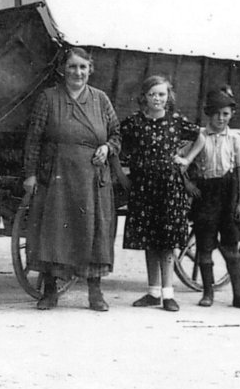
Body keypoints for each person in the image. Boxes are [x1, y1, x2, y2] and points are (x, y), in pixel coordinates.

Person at [21, 47, 121, 311]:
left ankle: (95, 292)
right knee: (55, 231)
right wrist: (30, 175)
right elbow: (34, 139)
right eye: (73, 67)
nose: (78, 72)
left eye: (83, 67)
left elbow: (116, 134)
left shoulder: (100, 100)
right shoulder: (49, 98)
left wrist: (107, 148)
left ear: (90, 70)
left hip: (92, 178)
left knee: (93, 231)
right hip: (57, 176)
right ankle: (50, 291)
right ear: (62, 70)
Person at [120, 75, 204, 312]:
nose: (157, 99)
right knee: (149, 239)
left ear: (168, 97)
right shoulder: (134, 123)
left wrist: (186, 159)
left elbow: (201, 137)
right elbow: (116, 141)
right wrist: (121, 175)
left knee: (166, 242)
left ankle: (168, 294)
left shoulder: (175, 121)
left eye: (161, 94)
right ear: (144, 97)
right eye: (152, 94)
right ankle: (152, 292)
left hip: (169, 188)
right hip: (144, 187)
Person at [189, 87, 240, 309]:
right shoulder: (199, 136)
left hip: (228, 193)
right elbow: (182, 163)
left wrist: (239, 202)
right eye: (216, 113)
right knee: (205, 245)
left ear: (231, 115)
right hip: (205, 194)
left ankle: (238, 296)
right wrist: (189, 185)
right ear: (208, 113)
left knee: (231, 247)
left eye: (225, 114)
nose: (221, 118)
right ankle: (208, 293)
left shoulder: (235, 139)